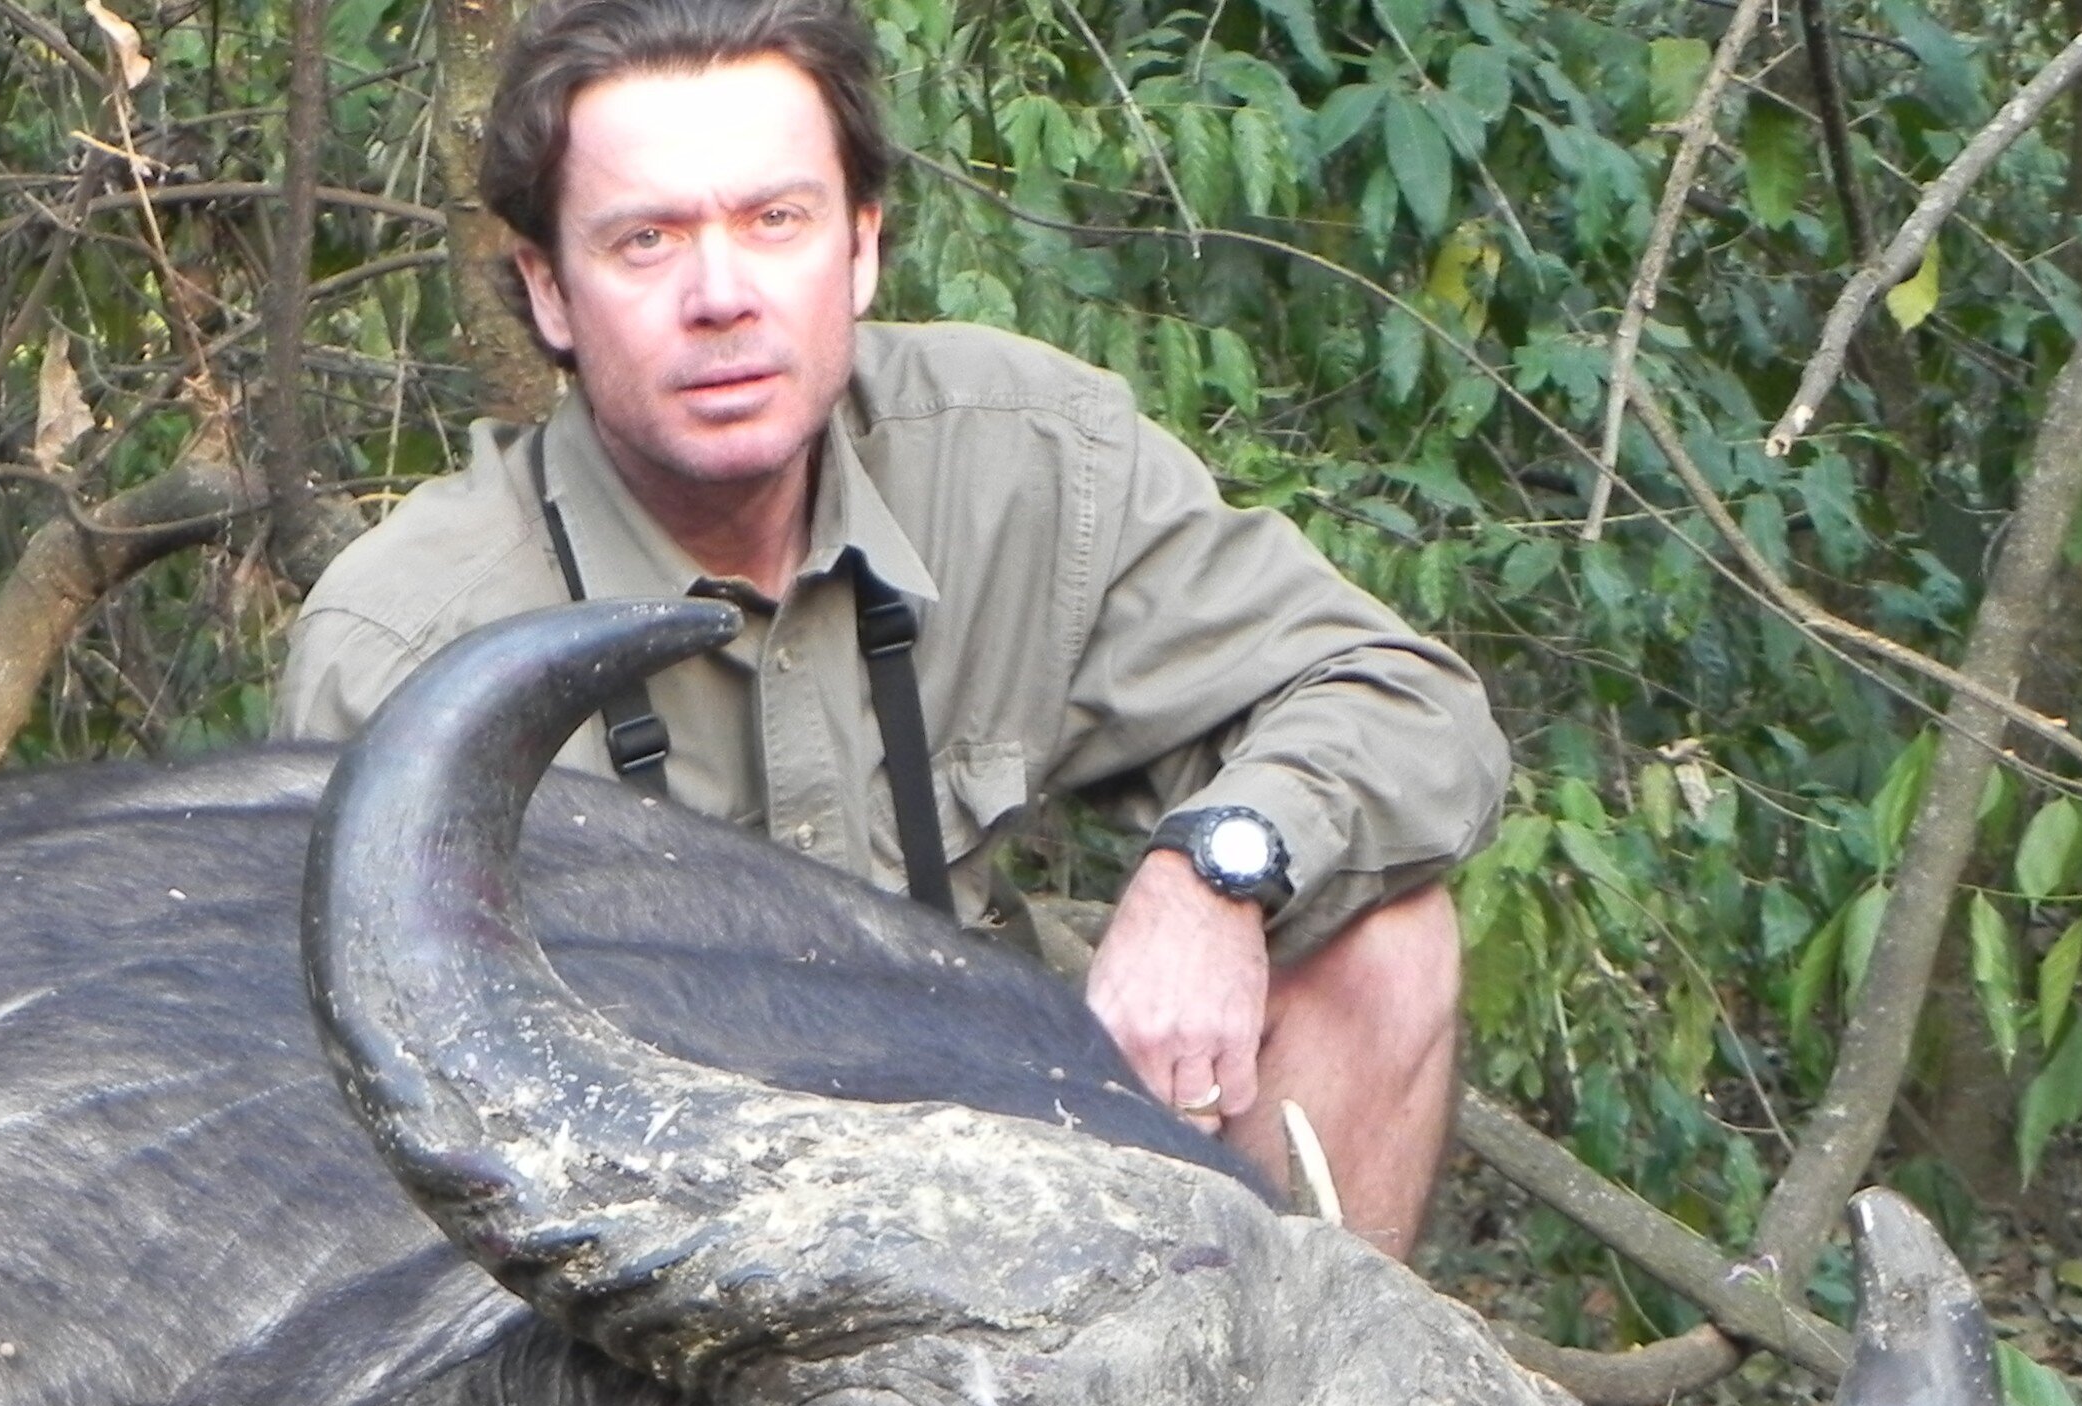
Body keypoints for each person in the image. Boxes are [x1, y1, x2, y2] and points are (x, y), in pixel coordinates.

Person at [275, 0, 1506, 1259]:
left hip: (1019, 1171)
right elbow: (356, 1123)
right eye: (646, 240)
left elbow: (1403, 703)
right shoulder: (402, 642)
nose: (721, 297)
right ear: (549, 292)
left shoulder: (1022, 455)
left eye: (775, 221)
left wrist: (1213, 877)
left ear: (860, 247)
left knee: (1379, 935)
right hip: (649, 1271)